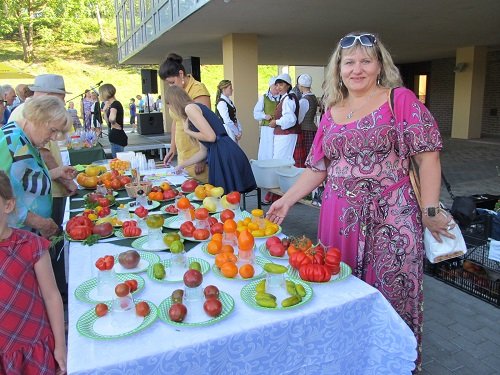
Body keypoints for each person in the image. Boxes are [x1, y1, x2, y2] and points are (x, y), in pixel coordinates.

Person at [267, 32, 453, 371]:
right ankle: (347, 362)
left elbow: (428, 157)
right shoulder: (330, 112)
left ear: (380, 65)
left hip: (392, 219)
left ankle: (391, 364)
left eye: (366, 60)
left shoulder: (401, 99)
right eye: (349, 62)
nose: (357, 69)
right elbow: (318, 167)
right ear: (338, 69)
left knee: (392, 297)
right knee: (339, 292)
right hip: (338, 219)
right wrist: (288, 200)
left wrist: (430, 210)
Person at [0, 171, 67, 374]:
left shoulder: (31, 245)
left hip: (33, 344)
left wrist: (60, 346)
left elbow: (52, 296)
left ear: (8, 205)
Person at [1, 96, 74, 238]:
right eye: (52, 130)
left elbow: (22, 178)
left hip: (28, 234)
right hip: (16, 238)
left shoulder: (25, 140)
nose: (54, 137)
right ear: (37, 118)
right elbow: (2, 194)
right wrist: (40, 223)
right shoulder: (13, 142)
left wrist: (56, 172)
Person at [166, 85, 256, 193]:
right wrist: (181, 166)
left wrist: (188, 131)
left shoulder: (190, 108)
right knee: (225, 198)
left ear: (173, 102)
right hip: (223, 151)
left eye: (169, 105)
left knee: (223, 197)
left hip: (223, 153)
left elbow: (211, 137)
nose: (169, 109)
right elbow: (203, 152)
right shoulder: (194, 108)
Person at [159, 52, 211, 182]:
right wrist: (172, 147)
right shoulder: (178, 92)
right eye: (168, 84)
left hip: (197, 152)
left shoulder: (198, 90)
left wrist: (202, 158)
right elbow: (176, 120)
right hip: (184, 153)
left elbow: (206, 125)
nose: (171, 86)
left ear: (181, 74)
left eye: (172, 82)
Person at [268, 73, 300, 164]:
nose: (278, 87)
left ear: (288, 85)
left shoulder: (289, 99)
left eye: (281, 84)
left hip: (286, 135)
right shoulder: (285, 98)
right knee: (281, 161)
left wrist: (276, 122)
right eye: (277, 85)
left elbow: (291, 119)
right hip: (284, 135)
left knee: (281, 162)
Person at [253, 76, 280, 160]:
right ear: (270, 86)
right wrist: (264, 116)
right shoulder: (264, 97)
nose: (277, 87)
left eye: (277, 85)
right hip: (267, 128)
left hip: (279, 126)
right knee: (267, 148)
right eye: (275, 85)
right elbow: (256, 113)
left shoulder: (282, 97)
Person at [100, 83, 127, 158]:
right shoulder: (113, 104)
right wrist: (105, 111)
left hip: (117, 137)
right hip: (115, 137)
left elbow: (112, 119)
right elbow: (108, 122)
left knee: (118, 162)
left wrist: (114, 123)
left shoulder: (115, 105)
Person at [297, 73, 319, 156]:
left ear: (301, 86)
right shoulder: (313, 97)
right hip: (312, 129)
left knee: (306, 154)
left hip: (305, 130)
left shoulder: (304, 100)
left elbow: (300, 118)